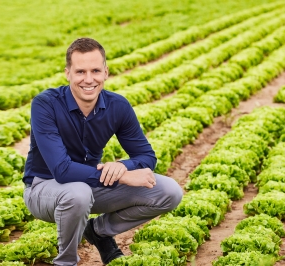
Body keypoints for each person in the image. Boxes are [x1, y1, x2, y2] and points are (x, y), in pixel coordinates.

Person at [22, 37, 183, 266]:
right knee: (78, 193)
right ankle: (66, 262)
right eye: (80, 72)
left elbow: (147, 156)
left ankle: (98, 231)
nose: (89, 79)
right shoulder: (46, 104)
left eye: (96, 70)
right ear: (68, 73)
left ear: (106, 72)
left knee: (169, 191)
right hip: (44, 188)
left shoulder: (118, 106)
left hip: (90, 185)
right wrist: (125, 176)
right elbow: (62, 169)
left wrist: (122, 166)